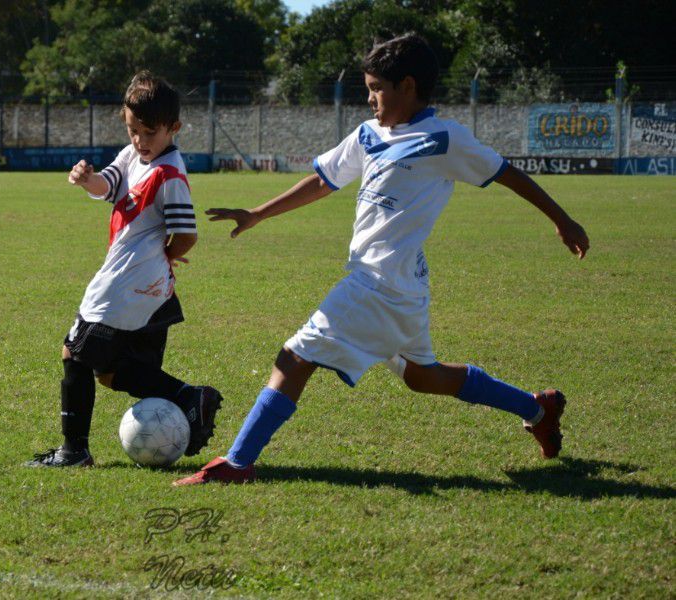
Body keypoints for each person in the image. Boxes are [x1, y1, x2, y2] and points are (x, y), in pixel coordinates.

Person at [173, 34, 589, 486]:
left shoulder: (444, 138)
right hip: (400, 284)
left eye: (376, 88)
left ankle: (236, 464)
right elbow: (323, 180)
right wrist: (258, 213)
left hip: (379, 283)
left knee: (294, 359)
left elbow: (508, 174)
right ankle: (536, 407)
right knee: (423, 377)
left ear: (407, 86)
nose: (369, 98)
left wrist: (562, 220)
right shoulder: (369, 135)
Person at [29, 71, 222, 467]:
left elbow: (187, 235)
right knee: (114, 373)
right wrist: (87, 181)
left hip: (124, 285)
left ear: (174, 128)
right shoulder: (134, 156)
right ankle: (189, 397)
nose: (140, 140)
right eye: (133, 130)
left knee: (74, 354)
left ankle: (74, 452)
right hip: (148, 289)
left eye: (149, 132)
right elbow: (109, 187)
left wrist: (162, 257)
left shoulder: (169, 175)